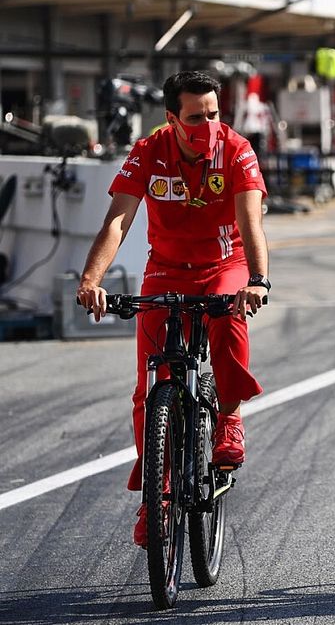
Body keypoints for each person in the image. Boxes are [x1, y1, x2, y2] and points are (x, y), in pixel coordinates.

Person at [77, 71, 270, 546]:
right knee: (148, 388)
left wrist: (258, 281)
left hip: (224, 263)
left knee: (228, 321)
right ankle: (155, 497)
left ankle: (227, 418)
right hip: (165, 269)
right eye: (194, 117)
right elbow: (117, 222)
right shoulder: (148, 151)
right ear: (170, 119)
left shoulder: (237, 149)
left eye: (213, 114)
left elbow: (251, 222)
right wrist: (91, 280)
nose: (206, 124)